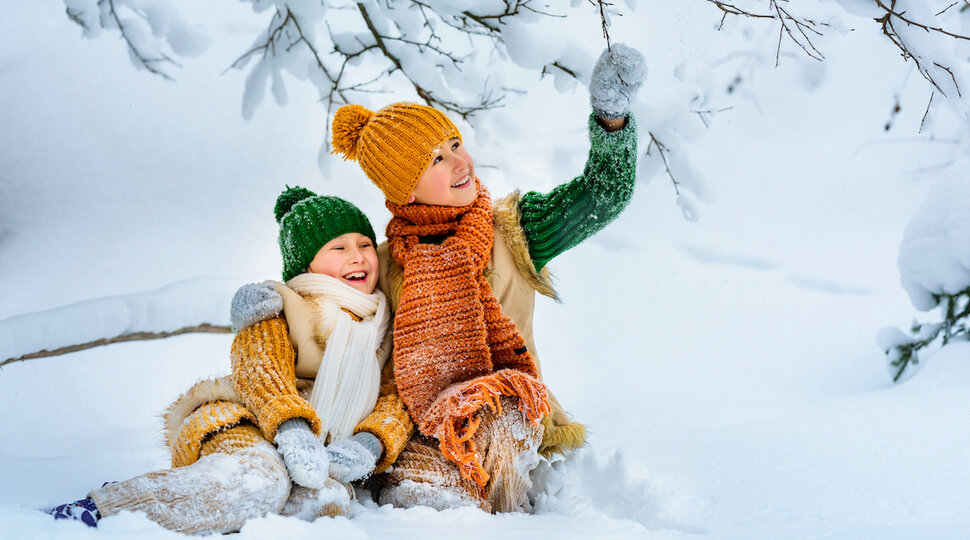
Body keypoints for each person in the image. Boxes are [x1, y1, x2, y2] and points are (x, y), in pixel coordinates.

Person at [234, 43, 646, 513]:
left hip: (510, 413)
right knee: (419, 501)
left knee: (490, 432)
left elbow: (600, 197)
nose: (459, 162)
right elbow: (318, 301)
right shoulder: (386, 261)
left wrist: (612, 120)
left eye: (455, 145)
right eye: (435, 160)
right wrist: (268, 297)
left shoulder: (514, 229)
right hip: (423, 424)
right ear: (403, 187)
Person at [50, 188, 404, 533]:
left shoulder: (385, 324)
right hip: (244, 419)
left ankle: (178, 490)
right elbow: (261, 369)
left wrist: (370, 443)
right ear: (306, 262)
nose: (357, 256)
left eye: (365, 245)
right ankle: (103, 508)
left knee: (327, 503)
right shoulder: (279, 304)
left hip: (318, 451)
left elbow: (395, 396)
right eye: (338, 248)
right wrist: (292, 428)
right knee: (258, 483)